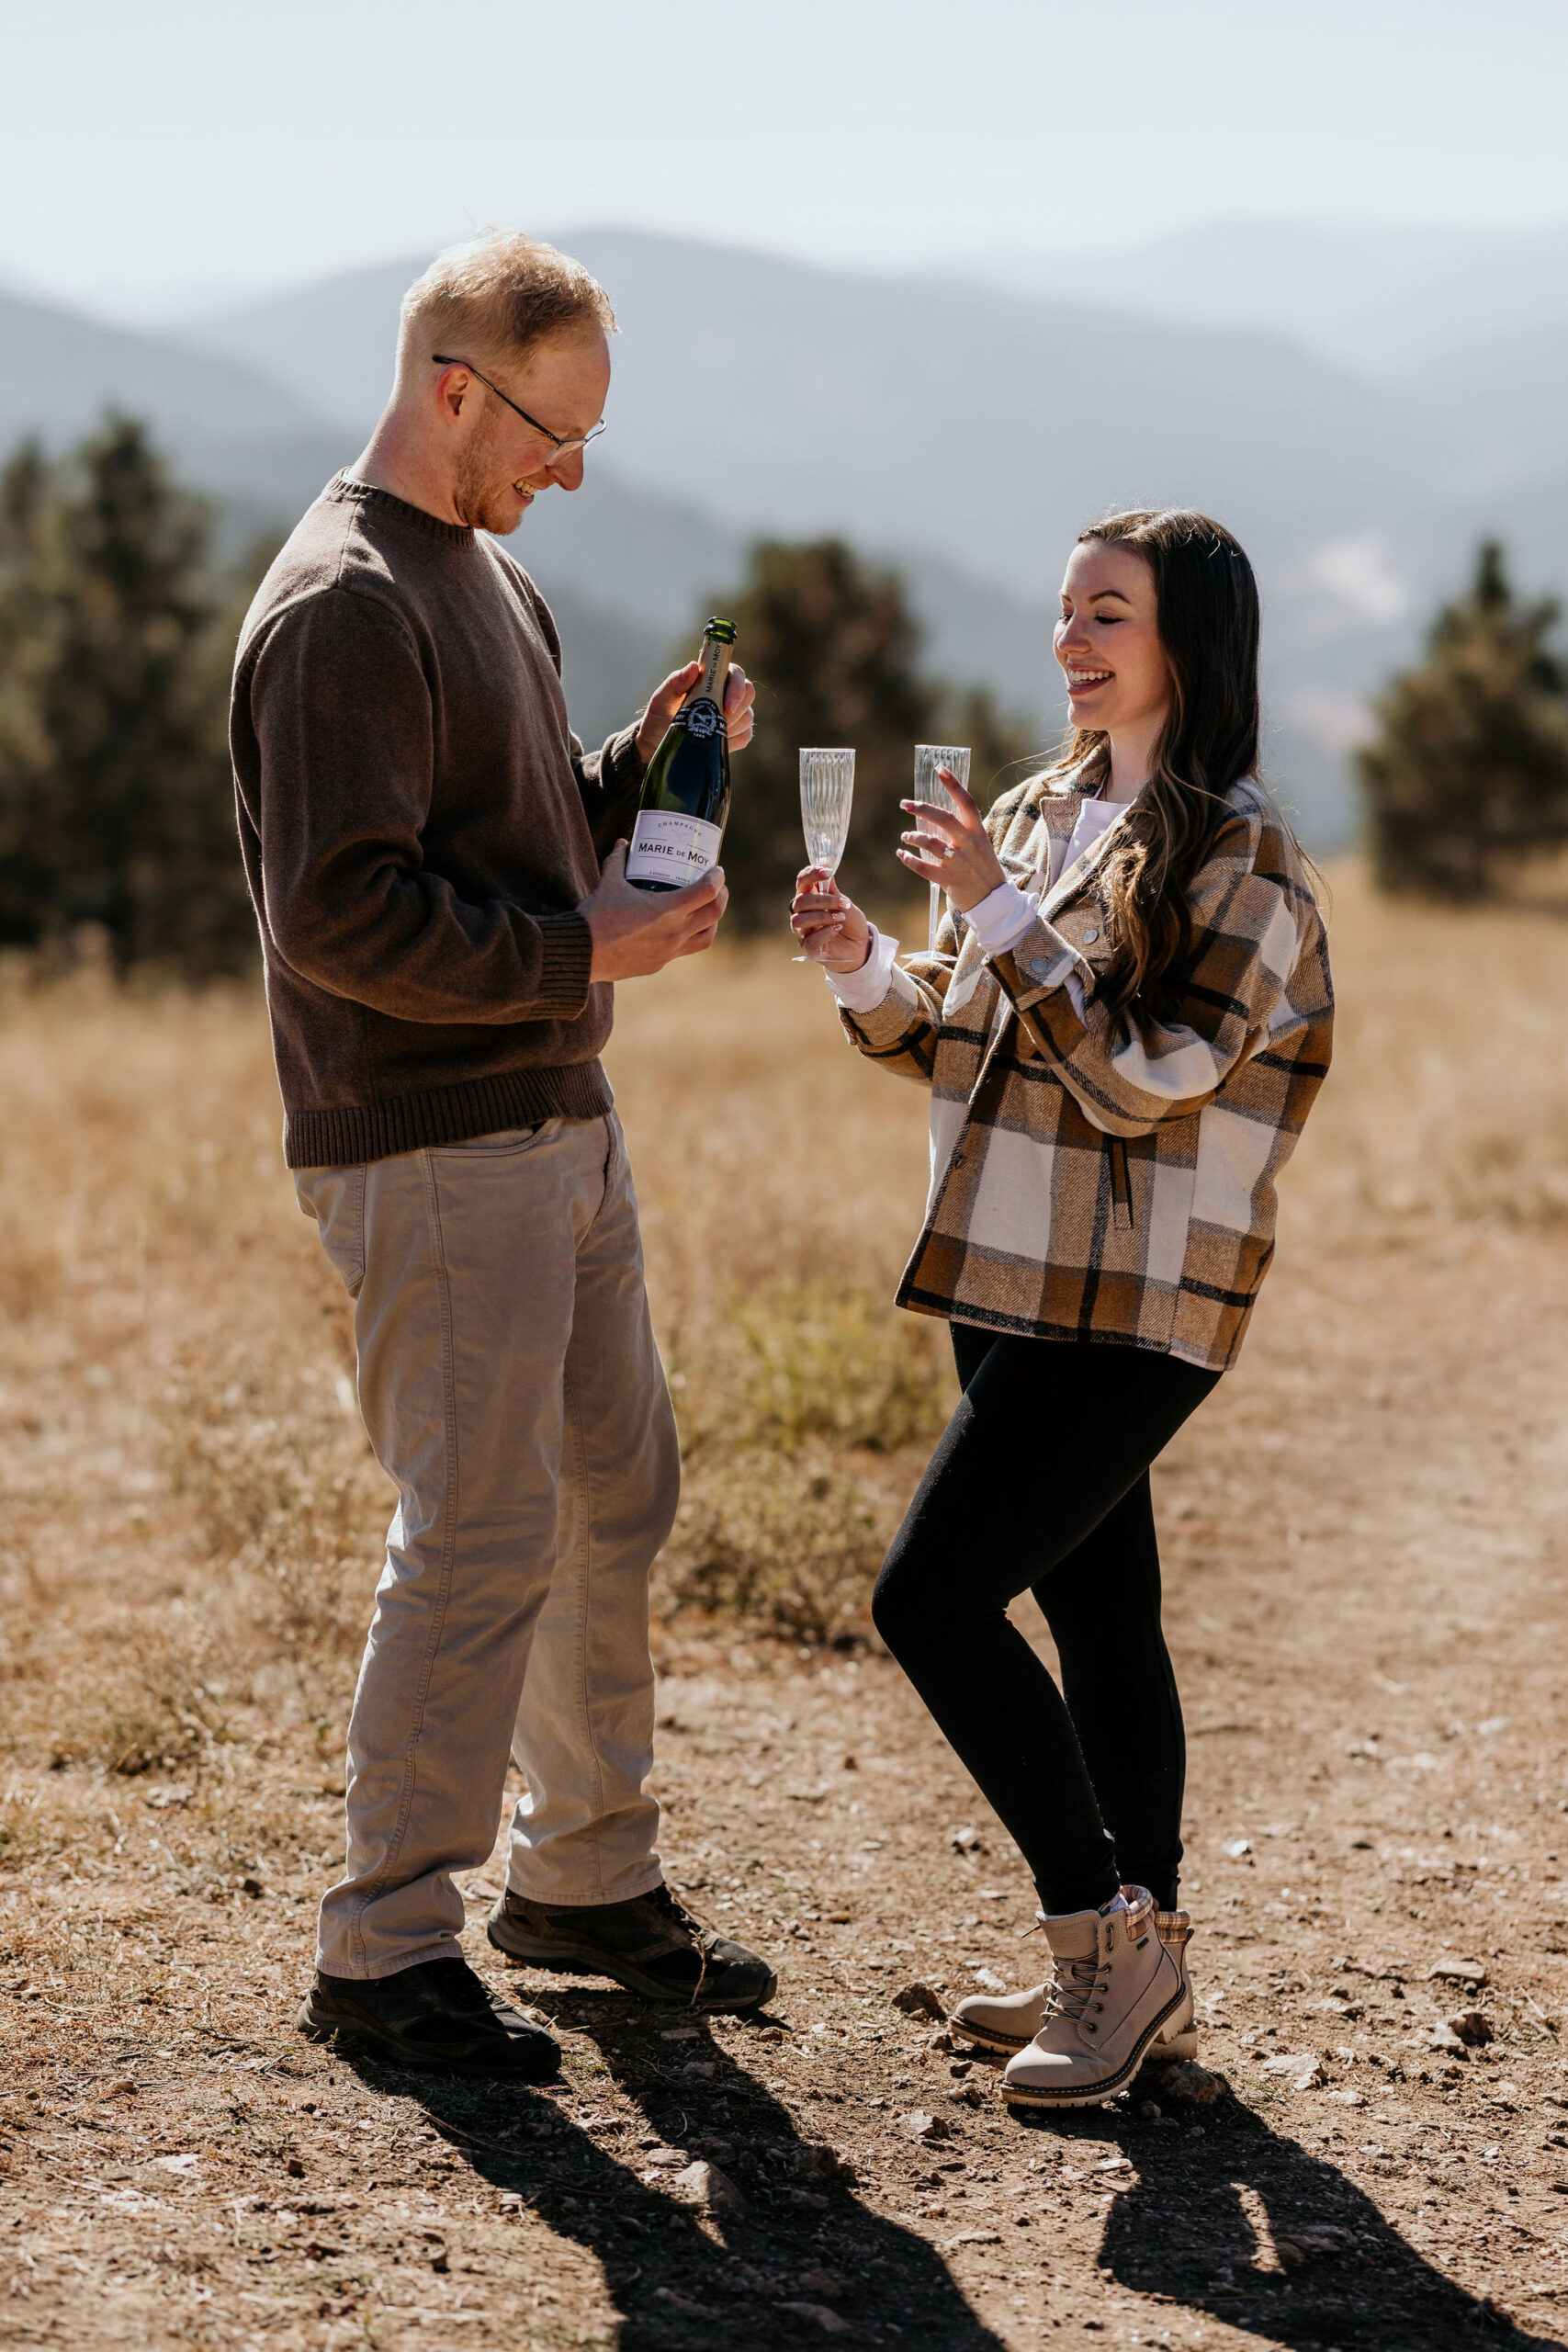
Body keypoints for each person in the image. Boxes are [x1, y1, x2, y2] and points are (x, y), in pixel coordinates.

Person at [231, 232, 776, 2082]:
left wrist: (644, 760)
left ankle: (580, 1881)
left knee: (615, 1489)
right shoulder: (341, 606)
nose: (571, 471)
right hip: (436, 1140)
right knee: (474, 1531)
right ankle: (385, 1945)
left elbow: (518, 821)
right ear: (452, 386)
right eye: (554, 430)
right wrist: (586, 956)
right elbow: (337, 914)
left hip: (560, 1117)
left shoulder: (477, 575)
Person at [790, 508, 1333, 2112]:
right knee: (1102, 1620)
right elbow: (963, 1037)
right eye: (1064, 611)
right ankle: (1140, 1968)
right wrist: (865, 966)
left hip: (1143, 1290)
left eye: (1109, 614)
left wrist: (1003, 917)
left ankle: (1101, 1939)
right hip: (1009, 1270)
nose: (1071, 642)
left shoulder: (1244, 859)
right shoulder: (1029, 811)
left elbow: (1149, 1080)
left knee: (928, 1601)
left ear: (1188, 644)